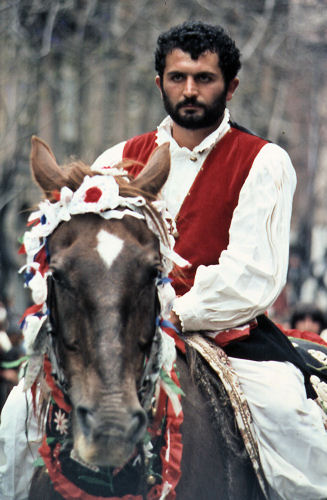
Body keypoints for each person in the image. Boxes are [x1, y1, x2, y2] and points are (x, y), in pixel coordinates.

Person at [0, 21, 326, 500]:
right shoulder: (119, 158)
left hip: (229, 340)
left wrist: (170, 313)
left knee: (295, 426)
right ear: (160, 83)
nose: (189, 90)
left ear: (230, 85)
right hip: (121, 332)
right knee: (17, 417)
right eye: (177, 77)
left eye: (204, 78)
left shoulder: (264, 160)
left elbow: (252, 275)